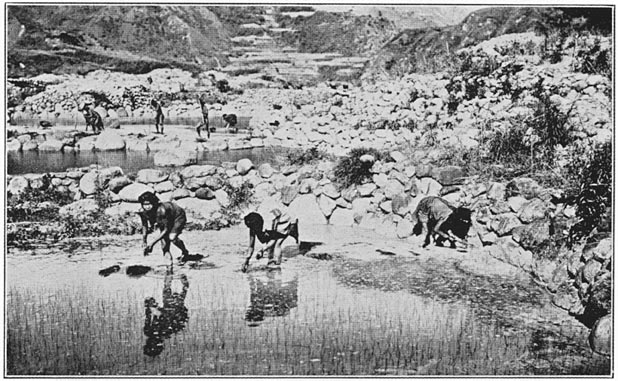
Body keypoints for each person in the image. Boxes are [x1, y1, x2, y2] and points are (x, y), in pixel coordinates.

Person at [143, 266, 189, 357]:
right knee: (172, 293)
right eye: (154, 345)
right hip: (173, 310)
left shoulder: (149, 331)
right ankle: (183, 283)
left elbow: (148, 315)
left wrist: (150, 305)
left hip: (166, 309)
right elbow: (177, 321)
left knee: (167, 289)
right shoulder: (165, 333)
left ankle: (170, 272)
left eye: (151, 344)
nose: (152, 342)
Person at [138, 191, 190, 261]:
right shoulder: (143, 212)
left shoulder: (161, 211)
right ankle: (169, 265)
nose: (147, 207)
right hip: (165, 220)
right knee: (164, 246)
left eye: (149, 204)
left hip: (177, 217)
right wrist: (144, 240)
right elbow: (144, 226)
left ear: (154, 203)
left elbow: (166, 230)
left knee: (172, 237)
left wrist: (152, 244)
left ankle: (184, 251)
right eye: (144, 204)